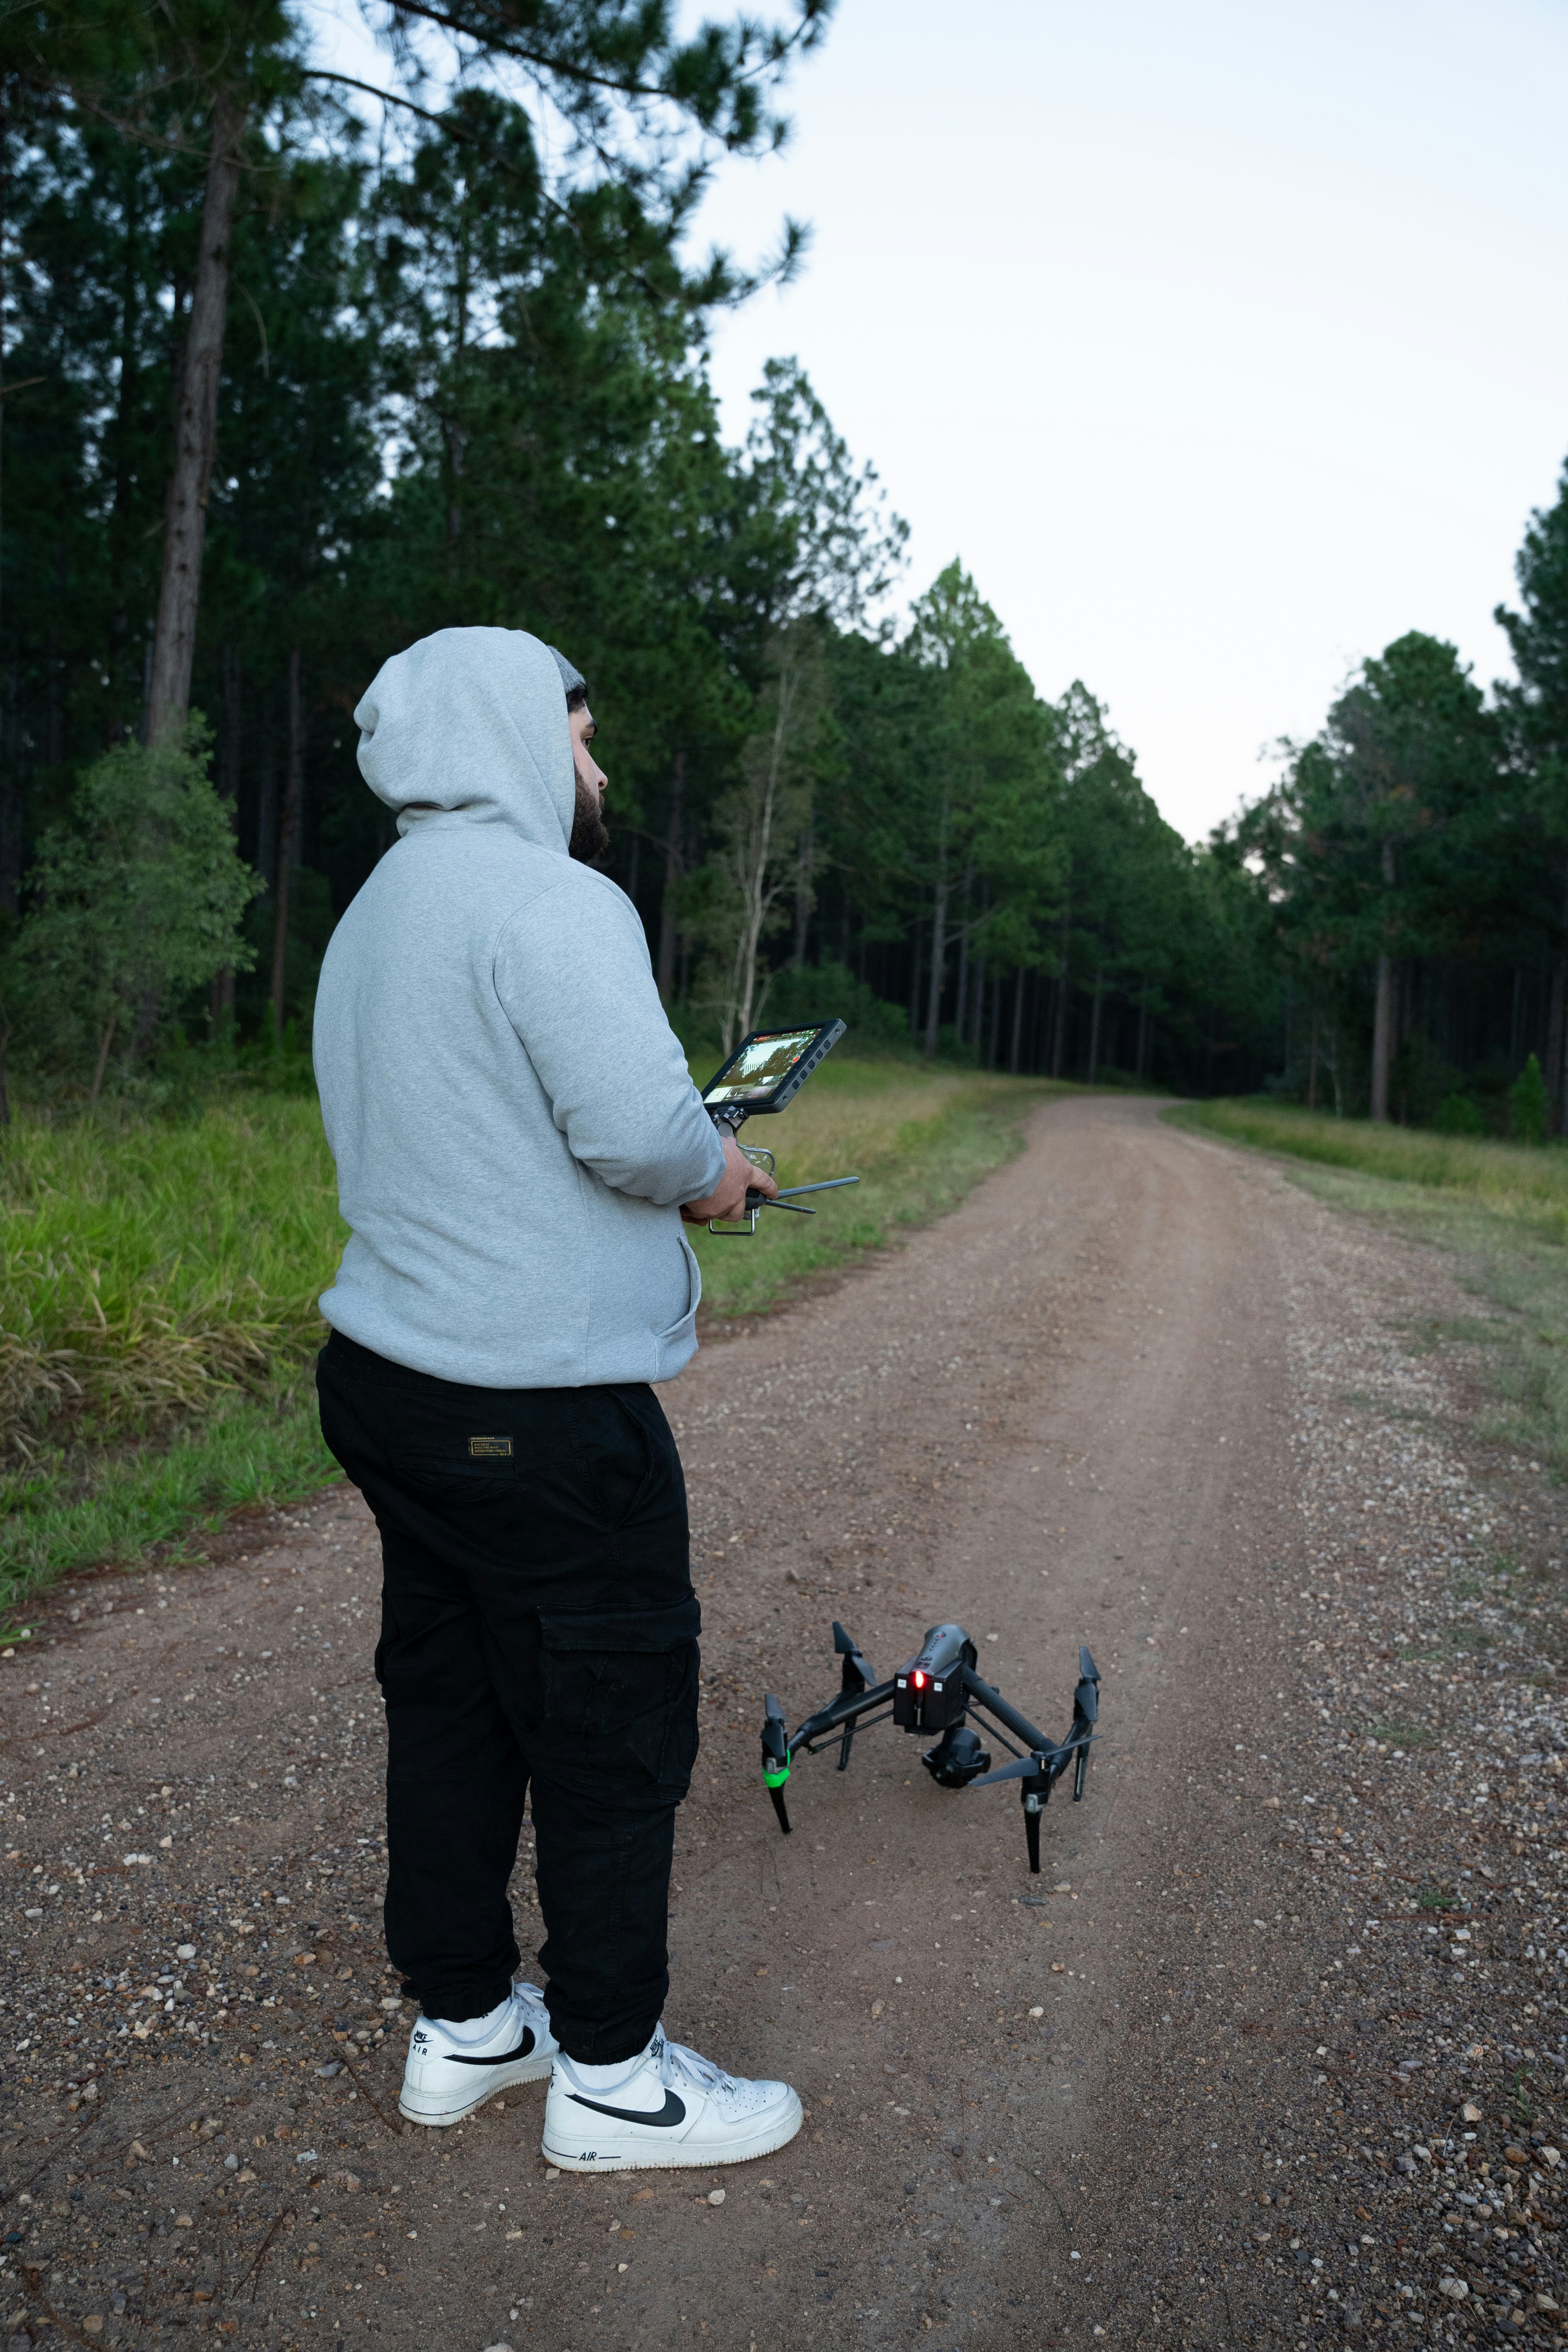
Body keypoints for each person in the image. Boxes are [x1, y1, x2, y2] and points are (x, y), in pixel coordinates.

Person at [312, 625, 800, 2173]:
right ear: (512, 736)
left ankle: (465, 2023)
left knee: (451, 1707)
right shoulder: (554, 899)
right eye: (579, 738)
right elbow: (642, 1138)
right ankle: (610, 2076)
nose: (596, 772)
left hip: (393, 1384)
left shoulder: (380, 906)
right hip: (536, 1412)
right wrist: (720, 1172)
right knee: (608, 1723)